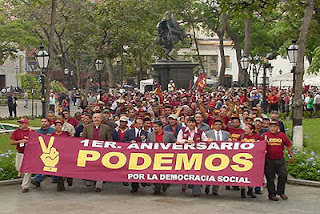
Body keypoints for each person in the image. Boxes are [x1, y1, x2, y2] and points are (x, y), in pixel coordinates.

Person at [261, 121, 294, 201]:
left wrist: (291, 155)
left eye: (274, 126)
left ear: (278, 127)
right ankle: (272, 194)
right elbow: (259, 147)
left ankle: (281, 192)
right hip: (268, 160)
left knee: (283, 175)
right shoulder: (264, 136)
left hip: (280, 159)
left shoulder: (282, 135)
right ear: (268, 127)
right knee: (270, 178)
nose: (273, 128)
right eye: (271, 126)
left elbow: (288, 145)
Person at [177, 117, 208, 196]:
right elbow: (178, 140)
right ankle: (184, 186)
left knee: (196, 172)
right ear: (187, 123)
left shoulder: (200, 132)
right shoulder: (182, 130)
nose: (191, 124)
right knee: (184, 172)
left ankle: (196, 192)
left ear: (195, 123)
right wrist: (186, 141)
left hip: (197, 155)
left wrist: (209, 141)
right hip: (184, 154)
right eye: (189, 122)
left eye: (193, 122)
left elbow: (205, 140)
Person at [82, 113, 112, 192]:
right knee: (91, 167)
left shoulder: (106, 128)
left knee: (100, 168)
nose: (96, 119)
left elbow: (109, 140)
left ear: (101, 119)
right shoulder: (87, 127)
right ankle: (90, 179)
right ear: (92, 119)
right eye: (95, 117)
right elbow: (83, 139)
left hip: (102, 151)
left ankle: (99, 185)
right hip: (90, 151)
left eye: (98, 117)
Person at [147, 120, 176, 194]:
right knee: (155, 173)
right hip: (154, 157)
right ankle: (157, 188)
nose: (154, 128)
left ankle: (165, 184)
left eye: (156, 127)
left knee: (164, 172)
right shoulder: (150, 135)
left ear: (161, 127)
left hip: (166, 156)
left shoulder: (169, 134)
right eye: (153, 127)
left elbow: (175, 143)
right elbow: (147, 145)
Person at [204, 119, 229, 196]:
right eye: (216, 124)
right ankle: (207, 186)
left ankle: (215, 190)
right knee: (209, 172)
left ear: (221, 126)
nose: (218, 126)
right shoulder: (207, 133)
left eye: (219, 124)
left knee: (218, 173)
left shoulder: (226, 134)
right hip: (210, 155)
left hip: (221, 156)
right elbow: (203, 142)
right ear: (213, 126)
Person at [123, 118, 148, 193]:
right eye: (139, 123)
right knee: (133, 170)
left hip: (143, 154)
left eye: (141, 123)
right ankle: (134, 186)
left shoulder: (145, 132)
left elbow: (149, 143)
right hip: (131, 154)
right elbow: (123, 142)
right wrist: (130, 142)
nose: (140, 125)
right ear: (135, 124)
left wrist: (144, 140)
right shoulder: (128, 132)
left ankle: (143, 181)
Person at [32, 118, 56, 187]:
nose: (43, 123)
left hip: (52, 152)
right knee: (41, 166)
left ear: (48, 122)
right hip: (41, 152)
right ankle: (37, 179)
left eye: (45, 121)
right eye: (42, 121)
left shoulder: (53, 131)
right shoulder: (37, 131)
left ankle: (56, 178)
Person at [10, 118, 31, 193]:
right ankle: (25, 179)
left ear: (26, 124)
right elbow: (12, 142)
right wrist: (20, 141)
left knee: (28, 170)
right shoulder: (16, 132)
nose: (20, 125)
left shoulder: (31, 132)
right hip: (20, 152)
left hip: (29, 153)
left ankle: (25, 186)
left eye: (22, 123)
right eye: (20, 123)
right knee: (18, 168)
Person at [51, 120, 73, 191]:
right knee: (59, 170)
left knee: (67, 168)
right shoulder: (52, 135)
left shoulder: (66, 134)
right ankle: (60, 186)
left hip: (66, 153)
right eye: (57, 125)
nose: (58, 127)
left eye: (60, 125)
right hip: (57, 154)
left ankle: (69, 178)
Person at [240, 124, 260, 198]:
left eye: (247, 129)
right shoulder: (242, 136)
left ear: (252, 130)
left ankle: (250, 190)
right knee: (243, 175)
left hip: (253, 158)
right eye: (245, 128)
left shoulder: (257, 136)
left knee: (251, 175)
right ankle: (242, 192)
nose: (245, 130)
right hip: (242, 158)